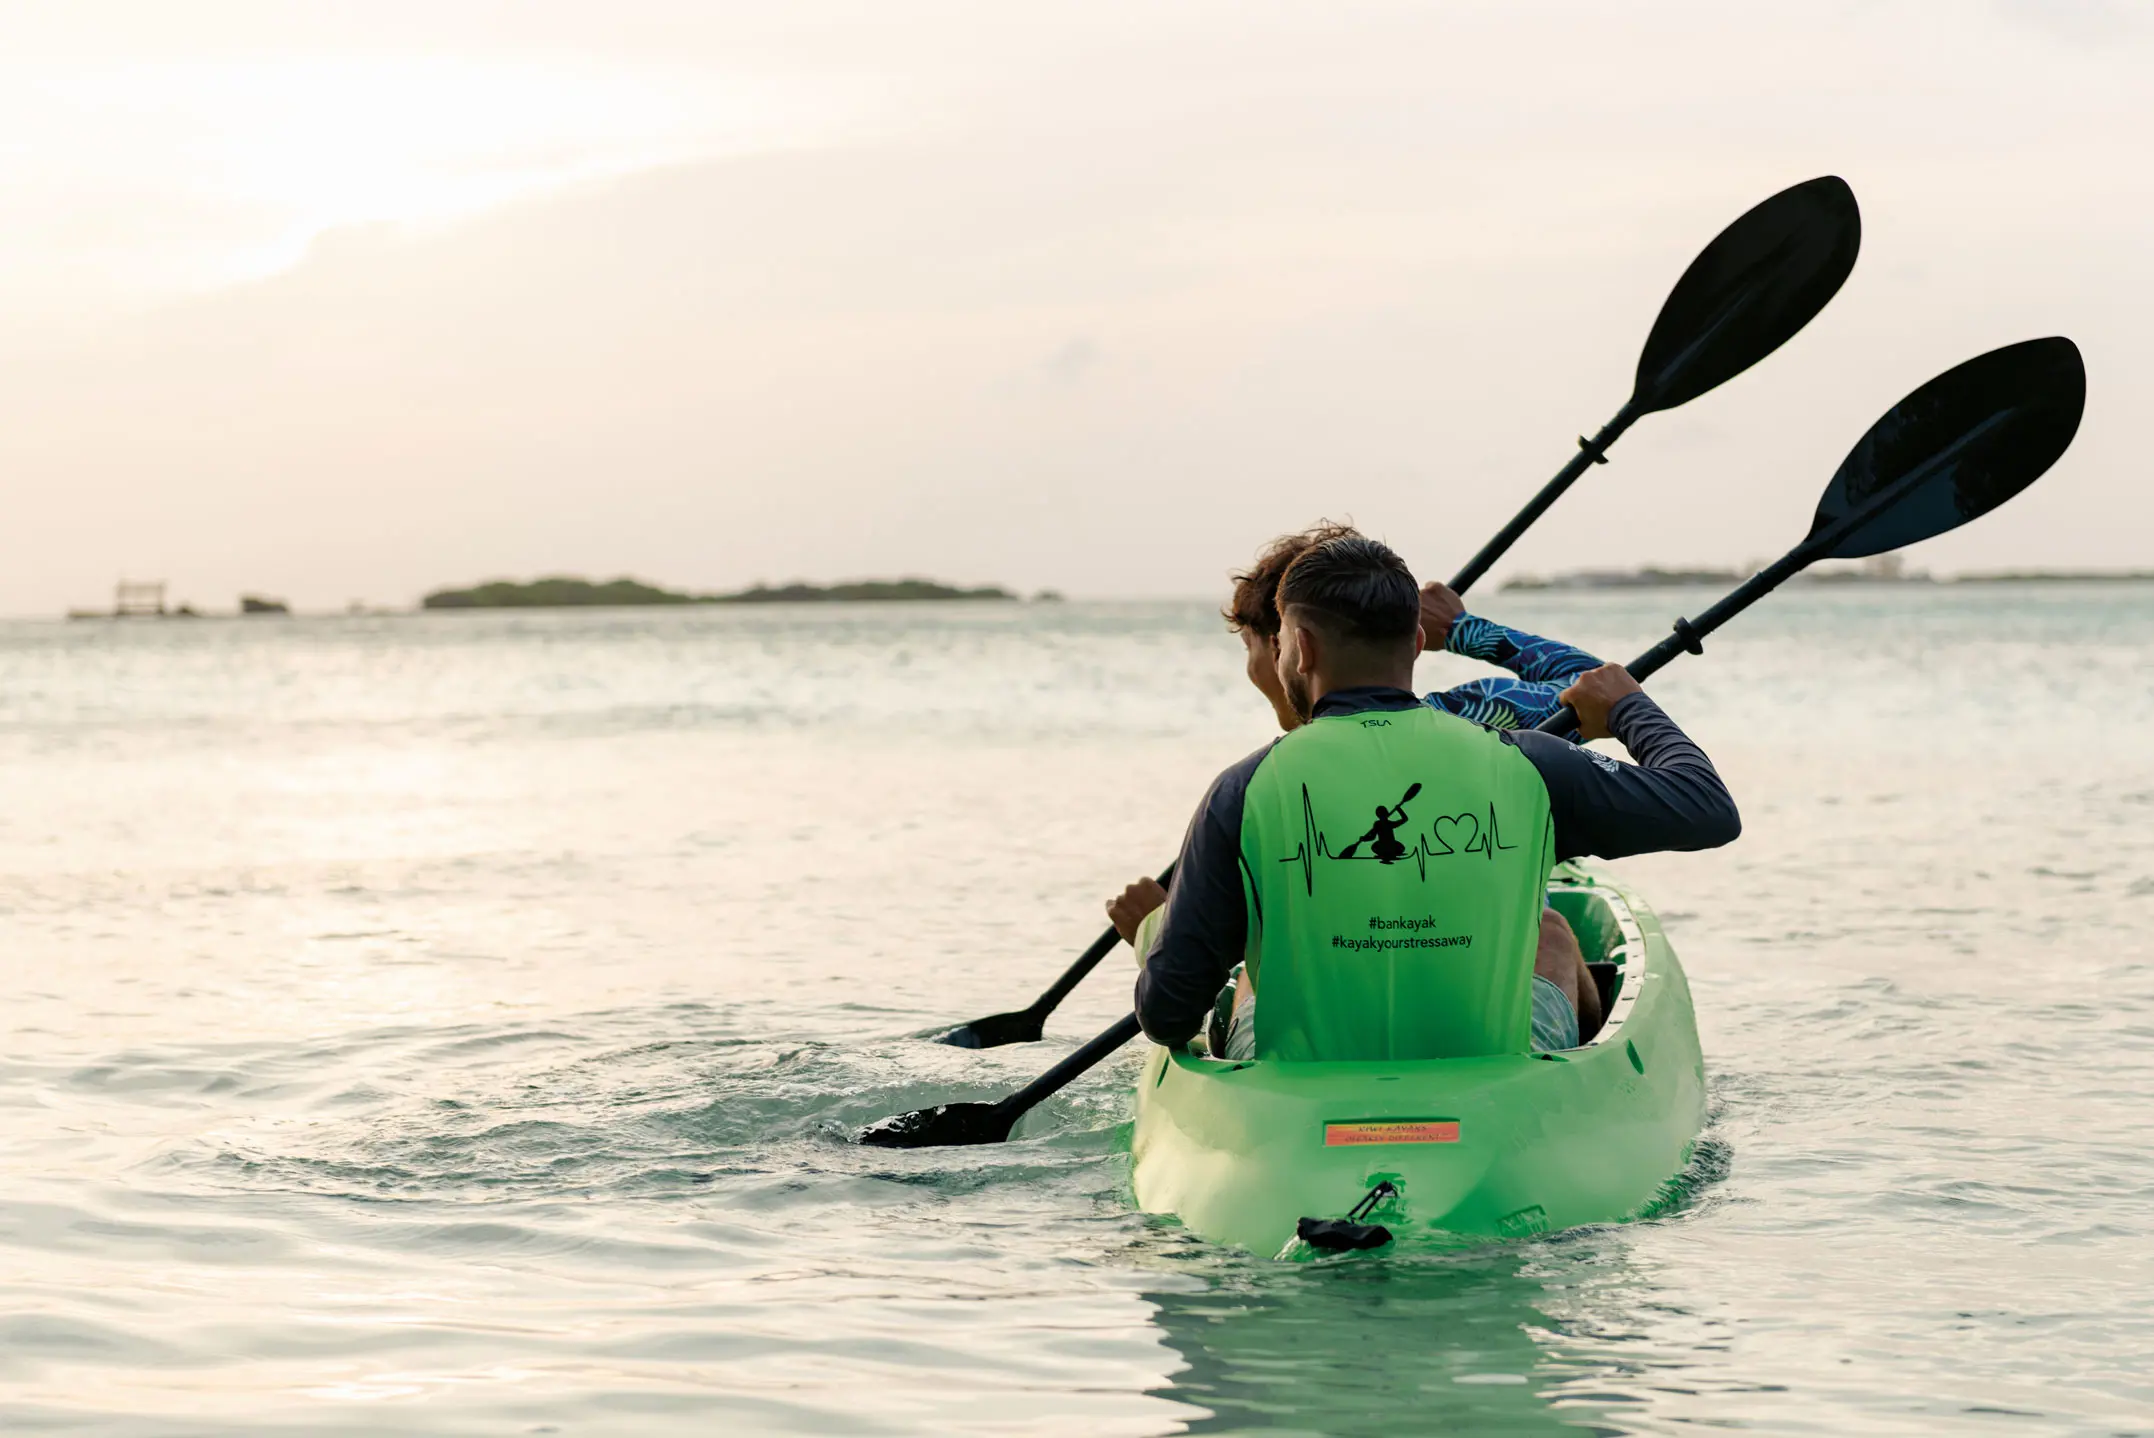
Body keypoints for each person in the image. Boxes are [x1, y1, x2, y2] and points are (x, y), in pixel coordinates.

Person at [1119, 533, 1738, 1063]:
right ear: (1416, 643)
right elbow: (1707, 808)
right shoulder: (1526, 760)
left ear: (1298, 649)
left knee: (1258, 966)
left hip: (1302, 1091)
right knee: (1549, 932)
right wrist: (1629, 706)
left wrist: (1155, 931)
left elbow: (1168, 1014)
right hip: (1489, 1072)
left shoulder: (1242, 790)